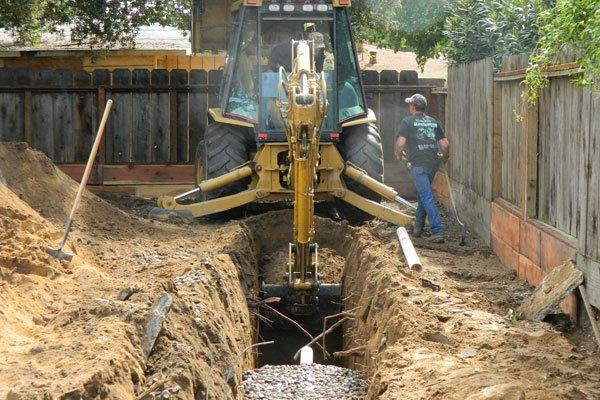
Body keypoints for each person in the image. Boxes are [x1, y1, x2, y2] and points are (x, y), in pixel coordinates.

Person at [394, 94, 449, 243]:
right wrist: (444, 158)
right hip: (432, 165)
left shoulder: (407, 122)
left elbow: (400, 143)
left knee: (426, 197)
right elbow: (444, 144)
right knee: (421, 195)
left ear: (413, 106)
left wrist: (398, 156)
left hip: (418, 166)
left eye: (409, 104)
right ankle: (418, 227)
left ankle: (437, 231)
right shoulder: (433, 122)